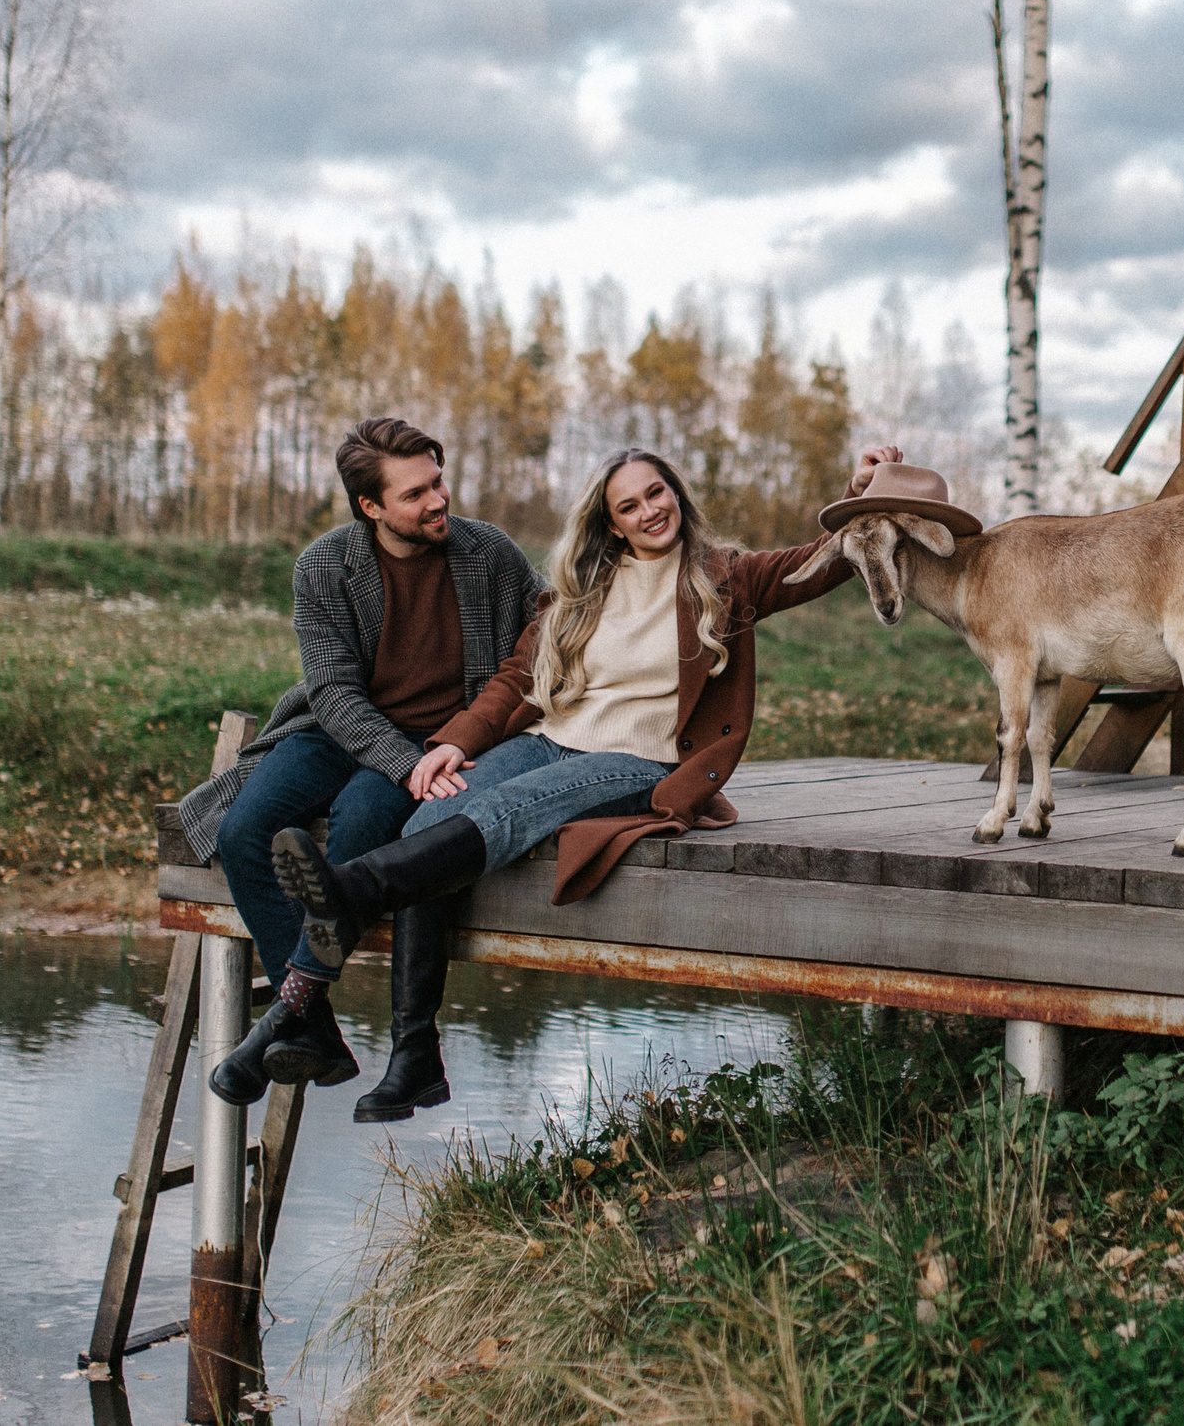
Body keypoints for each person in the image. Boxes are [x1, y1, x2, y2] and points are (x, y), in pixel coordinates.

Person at [236, 442, 900, 1044]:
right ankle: (411, 1048)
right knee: (432, 812)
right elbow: (516, 680)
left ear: (677, 492)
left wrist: (863, 491)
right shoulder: (582, 590)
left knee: (507, 809)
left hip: (641, 763)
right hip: (553, 740)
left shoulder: (728, 576)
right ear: (611, 521)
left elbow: (820, 566)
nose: (649, 511)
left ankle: (346, 892)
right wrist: (452, 744)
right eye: (629, 504)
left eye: (657, 492)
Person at [177, 417, 541, 1121]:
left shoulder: (489, 552)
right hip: (342, 729)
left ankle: (288, 1015)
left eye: (437, 480)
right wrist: (407, 764)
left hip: (445, 738)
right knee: (245, 824)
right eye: (415, 494)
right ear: (371, 507)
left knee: (364, 822)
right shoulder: (324, 566)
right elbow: (334, 693)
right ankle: (314, 1028)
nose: (438, 500)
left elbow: (555, 619)